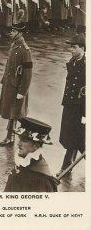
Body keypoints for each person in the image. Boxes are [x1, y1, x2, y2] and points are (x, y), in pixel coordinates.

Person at [0, 12, 32, 146]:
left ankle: (11, 137)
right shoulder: (14, 45)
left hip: (17, 86)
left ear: (20, 33)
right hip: (10, 83)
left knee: (15, 112)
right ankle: (12, 135)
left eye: (13, 31)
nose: (11, 33)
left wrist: (22, 91)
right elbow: (8, 66)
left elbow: (27, 74)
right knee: (11, 112)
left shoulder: (25, 50)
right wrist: (3, 80)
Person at [56, 33, 86, 176]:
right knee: (69, 136)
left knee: (79, 138)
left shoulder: (86, 66)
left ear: (82, 48)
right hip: (70, 106)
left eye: (74, 47)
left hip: (81, 109)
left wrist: (86, 115)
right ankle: (66, 167)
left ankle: (65, 168)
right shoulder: (73, 62)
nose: (71, 50)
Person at [4, 117, 59, 192]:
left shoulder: (41, 180)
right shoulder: (23, 163)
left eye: (24, 140)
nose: (18, 143)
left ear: (36, 146)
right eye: (20, 139)